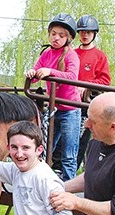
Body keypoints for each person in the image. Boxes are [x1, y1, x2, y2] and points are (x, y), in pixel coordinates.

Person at [25, 13, 81, 181]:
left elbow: (72, 76)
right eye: (53, 33)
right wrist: (32, 74)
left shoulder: (71, 55)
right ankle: (43, 180)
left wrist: (51, 72)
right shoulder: (46, 54)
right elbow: (36, 73)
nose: (56, 38)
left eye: (61, 35)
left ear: (69, 38)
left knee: (68, 153)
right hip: (54, 108)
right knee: (46, 147)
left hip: (70, 109)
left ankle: (68, 190)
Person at [74, 14, 111, 168]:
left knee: (81, 139)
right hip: (68, 102)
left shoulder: (99, 56)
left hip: (85, 105)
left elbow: (105, 81)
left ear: (94, 34)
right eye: (82, 32)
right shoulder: (71, 53)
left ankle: (73, 170)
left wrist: (85, 85)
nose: (85, 35)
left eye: (88, 32)